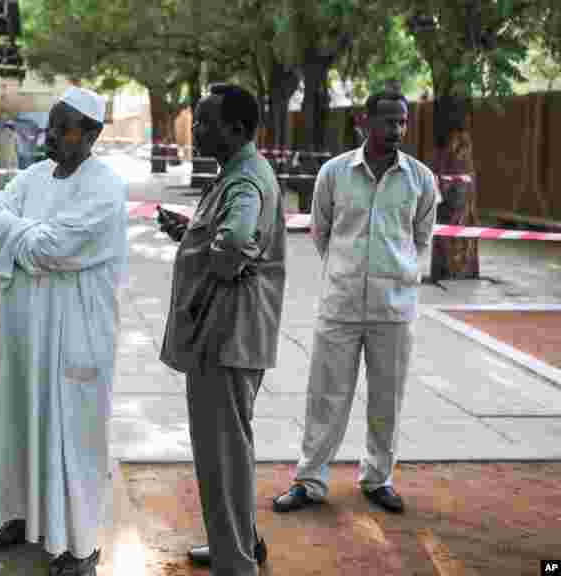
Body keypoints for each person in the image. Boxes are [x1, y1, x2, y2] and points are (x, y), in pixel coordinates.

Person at [0, 86, 128, 576]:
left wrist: (21, 236)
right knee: (18, 420)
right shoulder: (33, 177)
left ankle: (81, 543)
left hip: (75, 332)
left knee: (73, 435)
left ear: (92, 134)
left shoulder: (104, 186)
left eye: (63, 127)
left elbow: (56, 246)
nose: (51, 136)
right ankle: (18, 517)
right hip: (25, 329)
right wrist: (30, 238)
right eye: (52, 124)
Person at [271, 91, 438, 516]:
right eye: (388, 122)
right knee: (325, 396)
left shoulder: (421, 178)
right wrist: (345, 271)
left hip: (394, 309)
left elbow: (421, 239)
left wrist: (400, 274)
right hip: (340, 305)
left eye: (402, 123)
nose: (396, 130)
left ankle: (378, 477)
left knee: (388, 398)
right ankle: (310, 481)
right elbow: (321, 232)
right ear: (364, 121)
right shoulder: (334, 172)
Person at [157, 83, 285, 576]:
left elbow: (234, 244)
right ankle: (239, 542)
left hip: (226, 336)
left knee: (222, 453)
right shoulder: (238, 172)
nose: (197, 128)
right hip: (229, 334)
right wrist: (193, 232)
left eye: (206, 121)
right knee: (229, 448)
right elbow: (227, 233)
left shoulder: (244, 181)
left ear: (235, 129)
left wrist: (214, 251)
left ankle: (235, 563)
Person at [0, 119, 20, 188]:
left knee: (0, 183)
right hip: (12, 162)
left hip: (0, 162)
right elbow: (17, 149)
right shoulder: (15, 135)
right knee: (12, 183)